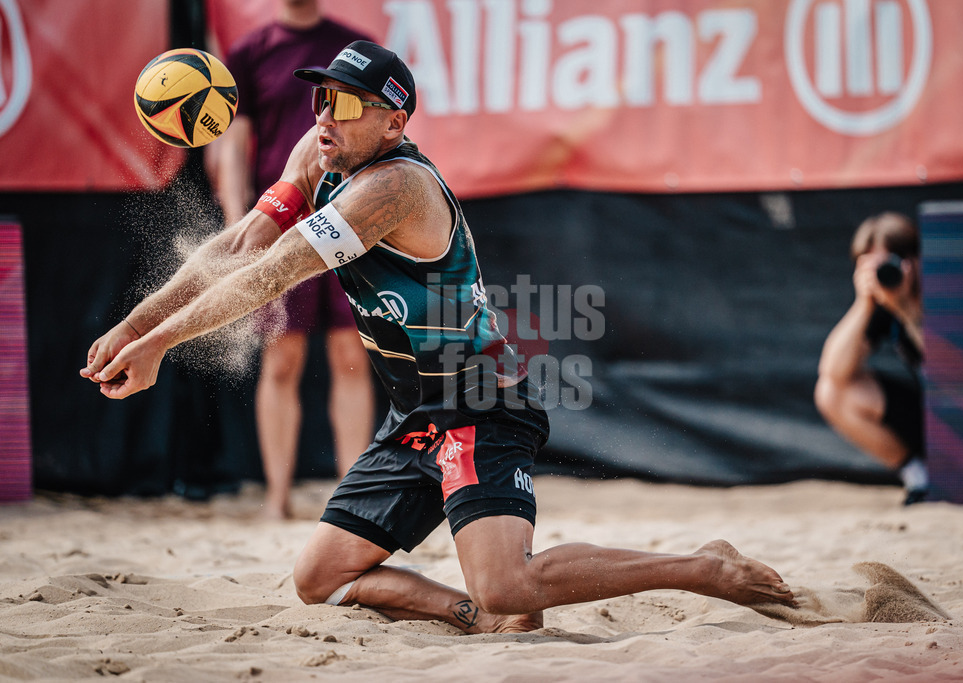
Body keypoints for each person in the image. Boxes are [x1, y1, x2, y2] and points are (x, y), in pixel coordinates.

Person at [82, 41, 795, 634]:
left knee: (511, 582)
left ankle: (705, 566)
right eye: (321, 97)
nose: (327, 116)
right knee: (319, 576)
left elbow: (271, 274)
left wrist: (159, 345)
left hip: (479, 402)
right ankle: (472, 615)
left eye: (350, 104)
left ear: (394, 124)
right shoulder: (320, 148)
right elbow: (240, 243)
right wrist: (136, 324)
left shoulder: (395, 189)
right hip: (414, 412)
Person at [215, 0, 376, 518]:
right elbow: (232, 143)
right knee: (281, 359)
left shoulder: (352, 47)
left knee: (350, 355)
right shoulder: (251, 51)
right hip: (283, 221)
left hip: (349, 218)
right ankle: (276, 499)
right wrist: (239, 218)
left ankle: (351, 501)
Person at [815, 212, 928, 505]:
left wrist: (908, 312)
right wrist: (864, 303)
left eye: (887, 264)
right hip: (927, 418)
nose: (883, 274)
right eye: (870, 266)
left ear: (913, 261)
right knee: (832, 392)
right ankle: (919, 476)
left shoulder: (941, 291)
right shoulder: (883, 303)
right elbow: (833, 370)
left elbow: (950, 370)